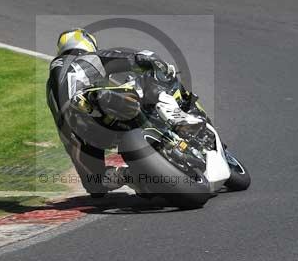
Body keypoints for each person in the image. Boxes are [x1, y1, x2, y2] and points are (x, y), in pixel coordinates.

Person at [46, 28, 203, 197]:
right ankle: (175, 115)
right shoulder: (83, 59)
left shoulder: (51, 87)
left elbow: (65, 131)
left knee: (96, 185)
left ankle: (130, 177)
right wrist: (151, 61)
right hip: (99, 103)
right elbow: (129, 57)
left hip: (81, 134)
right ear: (87, 43)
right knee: (148, 78)